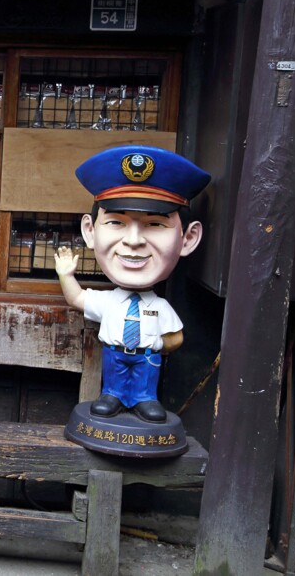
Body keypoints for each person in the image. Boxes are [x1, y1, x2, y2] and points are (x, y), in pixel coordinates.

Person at [54, 146, 209, 423]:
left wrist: (156, 343)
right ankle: (112, 395)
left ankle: (143, 399)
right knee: (112, 383)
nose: (134, 240)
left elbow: (176, 337)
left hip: (147, 357)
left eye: (155, 224)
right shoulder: (108, 301)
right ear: (90, 231)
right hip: (114, 355)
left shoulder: (159, 306)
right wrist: (66, 275)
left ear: (188, 238)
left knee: (145, 387)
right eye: (116, 222)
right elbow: (77, 299)